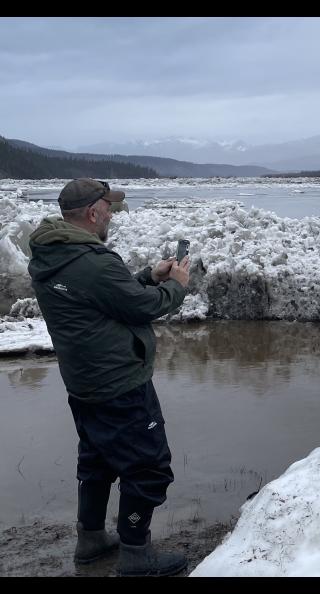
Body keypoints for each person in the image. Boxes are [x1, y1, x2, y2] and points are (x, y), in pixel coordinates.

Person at [27, 178, 191, 576]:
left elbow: (106, 297)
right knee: (149, 466)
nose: (113, 215)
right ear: (92, 213)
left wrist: (149, 276)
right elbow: (142, 309)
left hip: (84, 382)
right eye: (109, 207)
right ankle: (136, 554)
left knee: (97, 460)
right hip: (120, 384)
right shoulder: (93, 261)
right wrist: (176, 288)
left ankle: (92, 539)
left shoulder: (53, 254)